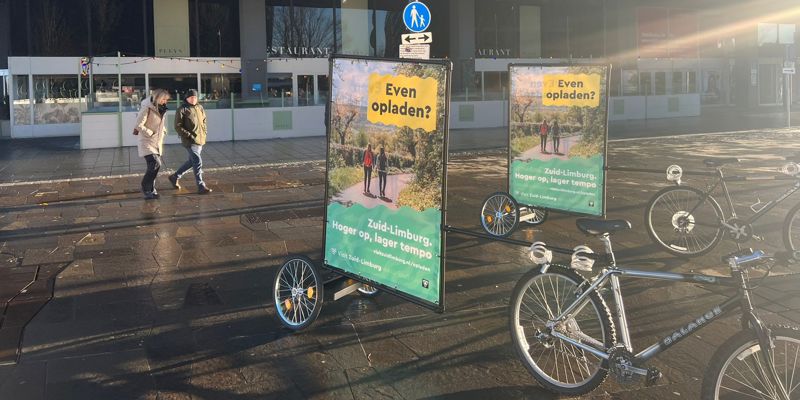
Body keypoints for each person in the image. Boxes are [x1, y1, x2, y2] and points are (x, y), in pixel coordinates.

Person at [170, 89, 212, 194]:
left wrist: (205, 132)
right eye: (191, 97)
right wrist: (189, 135)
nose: (193, 99)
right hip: (189, 141)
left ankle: (175, 177)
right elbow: (177, 126)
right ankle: (201, 186)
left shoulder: (200, 108)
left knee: (191, 162)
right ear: (187, 98)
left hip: (200, 139)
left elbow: (204, 121)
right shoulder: (182, 109)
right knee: (197, 162)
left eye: (195, 97)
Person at [135, 89, 170, 200]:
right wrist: (150, 132)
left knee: (154, 166)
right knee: (155, 163)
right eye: (163, 99)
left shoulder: (160, 108)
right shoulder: (147, 108)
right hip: (146, 141)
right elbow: (138, 125)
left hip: (156, 141)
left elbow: (157, 123)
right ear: (157, 98)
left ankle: (151, 190)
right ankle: (145, 187)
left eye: (166, 100)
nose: (165, 102)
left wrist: (163, 129)